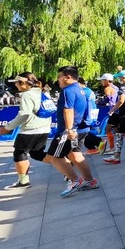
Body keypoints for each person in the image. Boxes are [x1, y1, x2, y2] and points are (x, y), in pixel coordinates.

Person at [49, 65, 99, 197]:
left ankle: (75, 181)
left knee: (55, 157)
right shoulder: (80, 89)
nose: (58, 80)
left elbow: (68, 110)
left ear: (67, 77)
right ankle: (90, 181)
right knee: (75, 155)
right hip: (80, 129)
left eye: (59, 77)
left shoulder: (68, 90)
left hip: (68, 131)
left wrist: (69, 129)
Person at [0, 72, 52, 189]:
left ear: (23, 83)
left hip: (30, 129)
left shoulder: (27, 95)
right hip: (44, 128)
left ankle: (23, 181)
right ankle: (64, 163)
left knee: (19, 153)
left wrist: (7, 128)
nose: (15, 85)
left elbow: (24, 115)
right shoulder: (42, 92)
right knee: (37, 154)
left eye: (16, 83)